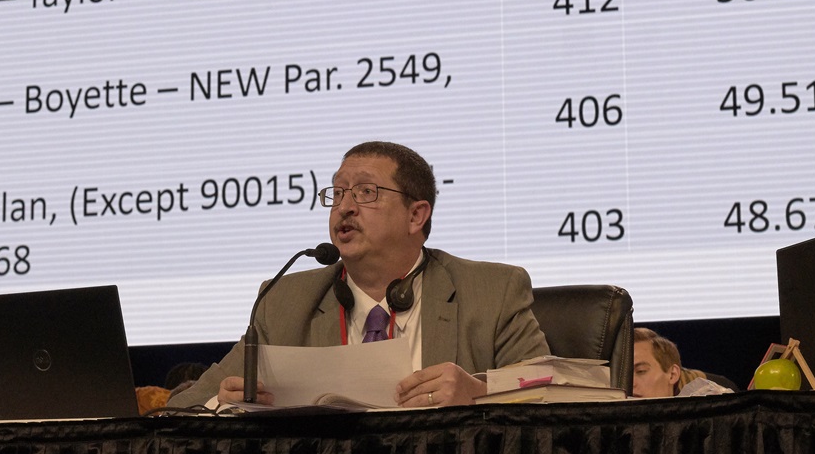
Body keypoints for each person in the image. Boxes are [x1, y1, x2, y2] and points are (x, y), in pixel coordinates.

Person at [168, 141, 549, 408]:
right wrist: (223, 405)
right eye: (337, 193)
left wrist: (480, 392)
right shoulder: (284, 302)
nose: (344, 207)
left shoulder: (492, 292)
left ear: (417, 215)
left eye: (365, 192)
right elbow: (182, 407)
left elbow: (559, 395)